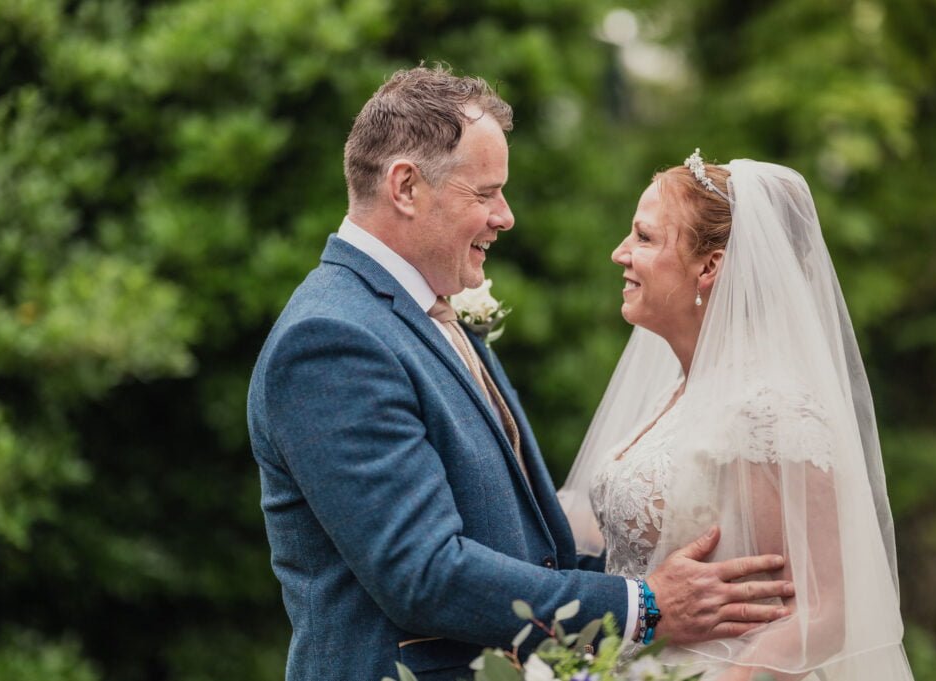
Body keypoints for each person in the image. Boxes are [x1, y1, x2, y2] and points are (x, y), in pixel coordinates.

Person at [247, 68, 794, 681]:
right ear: (405, 186)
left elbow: (525, 548)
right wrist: (643, 605)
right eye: (484, 194)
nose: (505, 217)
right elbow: (423, 574)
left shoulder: (429, 314)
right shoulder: (333, 339)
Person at [559, 152, 916, 679]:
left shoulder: (768, 411)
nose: (620, 253)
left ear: (709, 266)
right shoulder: (678, 392)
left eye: (645, 238)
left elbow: (824, 610)